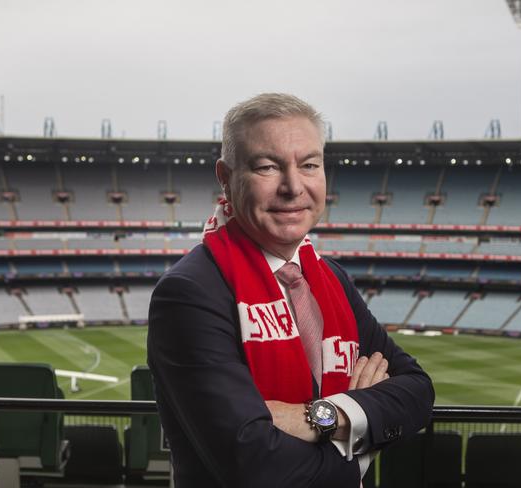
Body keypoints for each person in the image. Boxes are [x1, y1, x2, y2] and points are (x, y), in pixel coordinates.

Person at [147, 93, 434, 488]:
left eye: (309, 165)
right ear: (225, 177)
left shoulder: (332, 278)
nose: (293, 186)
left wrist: (325, 416)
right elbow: (255, 467)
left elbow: (418, 390)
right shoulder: (189, 293)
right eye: (267, 166)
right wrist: (360, 456)